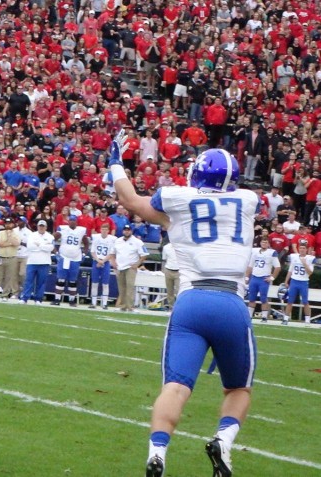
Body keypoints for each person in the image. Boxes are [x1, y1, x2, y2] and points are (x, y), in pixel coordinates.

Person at [109, 136, 258, 477]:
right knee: (238, 388)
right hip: (232, 303)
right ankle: (223, 438)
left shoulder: (178, 199)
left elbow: (130, 200)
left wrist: (116, 164)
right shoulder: (249, 200)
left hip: (191, 303)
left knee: (176, 386)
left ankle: (157, 452)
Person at [110, 224, 149, 312]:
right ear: (123, 231)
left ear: (131, 231)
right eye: (125, 230)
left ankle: (130, 307)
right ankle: (123, 306)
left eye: (128, 230)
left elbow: (144, 254)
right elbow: (112, 253)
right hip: (120, 267)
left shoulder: (137, 242)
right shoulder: (118, 241)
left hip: (130, 267)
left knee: (130, 287)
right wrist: (113, 262)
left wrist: (137, 264)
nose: (126, 231)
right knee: (121, 287)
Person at [51, 215, 88, 306]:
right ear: (68, 221)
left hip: (75, 258)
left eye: (73, 220)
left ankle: (72, 301)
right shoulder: (63, 229)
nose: (72, 222)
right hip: (64, 257)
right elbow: (51, 240)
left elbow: (86, 243)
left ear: (76, 222)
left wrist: (84, 254)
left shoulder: (81, 230)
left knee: (73, 280)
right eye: (70, 220)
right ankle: (57, 299)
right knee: (61, 279)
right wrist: (56, 252)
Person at [246, 237, 280, 323]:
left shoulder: (271, 252)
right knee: (251, 298)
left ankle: (264, 317)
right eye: (263, 242)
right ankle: (249, 317)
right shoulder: (255, 251)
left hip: (263, 278)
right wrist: (247, 277)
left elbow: (278, 267)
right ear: (260, 243)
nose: (264, 244)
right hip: (254, 277)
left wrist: (272, 278)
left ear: (268, 244)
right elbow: (250, 266)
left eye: (266, 242)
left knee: (263, 298)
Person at [19, 220, 54, 304]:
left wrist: (39, 245)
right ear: (37, 227)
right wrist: (44, 246)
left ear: (46, 227)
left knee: (41, 282)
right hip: (32, 261)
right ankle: (25, 298)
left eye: (43, 226)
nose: (41, 228)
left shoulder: (50, 236)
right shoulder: (32, 235)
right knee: (28, 281)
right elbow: (30, 247)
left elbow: (51, 248)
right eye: (40, 226)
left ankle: (38, 299)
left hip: (44, 262)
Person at [282, 240, 314, 325]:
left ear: (306, 249)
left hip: (304, 281)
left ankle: (307, 320)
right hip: (294, 281)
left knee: (305, 301)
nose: (302, 250)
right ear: (298, 249)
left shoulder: (309, 258)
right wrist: (286, 281)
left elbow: (310, 272)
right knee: (290, 300)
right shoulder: (294, 257)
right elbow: (290, 270)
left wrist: (305, 264)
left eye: (304, 248)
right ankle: (286, 318)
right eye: (300, 248)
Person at [0, 217, 21, 301]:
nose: (8, 225)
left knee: (9, 277)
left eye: (10, 223)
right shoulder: (0, 232)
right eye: (6, 223)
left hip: (11, 257)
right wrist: (10, 243)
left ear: (13, 224)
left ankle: (5, 295)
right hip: (1, 256)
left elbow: (17, 243)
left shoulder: (16, 233)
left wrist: (9, 238)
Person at [89, 223, 116, 309]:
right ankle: (93, 302)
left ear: (108, 231)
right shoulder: (96, 238)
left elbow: (111, 253)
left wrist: (102, 261)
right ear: (100, 229)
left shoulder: (111, 239)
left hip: (106, 262)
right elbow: (92, 252)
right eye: (103, 229)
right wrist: (98, 260)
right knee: (94, 283)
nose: (104, 231)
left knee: (105, 283)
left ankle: (104, 303)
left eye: (106, 229)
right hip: (96, 261)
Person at [161, 237, 180, 309]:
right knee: (169, 291)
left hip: (178, 271)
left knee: (179, 291)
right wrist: (163, 270)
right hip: (168, 270)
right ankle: (171, 308)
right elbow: (164, 259)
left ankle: (178, 308)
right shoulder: (166, 247)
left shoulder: (181, 247)